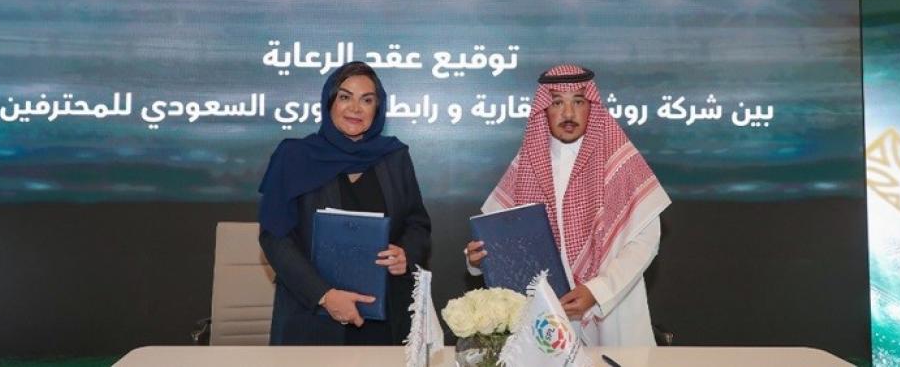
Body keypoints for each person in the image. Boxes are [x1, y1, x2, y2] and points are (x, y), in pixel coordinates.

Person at [465, 64, 670, 346]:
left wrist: (597, 291)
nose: (569, 113)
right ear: (544, 110)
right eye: (557, 103)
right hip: (546, 315)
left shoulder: (619, 162)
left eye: (578, 102)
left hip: (611, 309)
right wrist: (475, 260)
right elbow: (499, 236)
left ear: (591, 107)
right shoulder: (527, 164)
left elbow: (646, 239)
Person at [258, 61, 432, 345]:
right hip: (312, 318)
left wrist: (406, 254)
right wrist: (324, 295)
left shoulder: (394, 157)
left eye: (367, 100)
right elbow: (274, 238)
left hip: (384, 319)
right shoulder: (294, 157)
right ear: (330, 102)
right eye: (345, 97)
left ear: (378, 108)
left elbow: (417, 225)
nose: (355, 108)